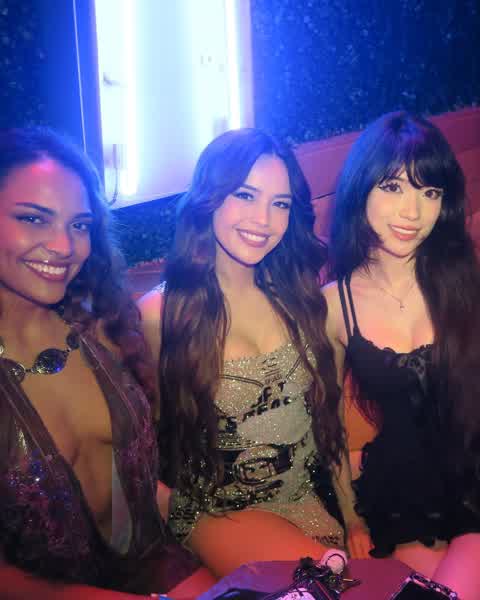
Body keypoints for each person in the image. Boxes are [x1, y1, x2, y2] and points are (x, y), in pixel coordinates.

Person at [0, 128, 213, 599]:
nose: (64, 246)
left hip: (155, 566)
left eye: (79, 225)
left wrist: (223, 531)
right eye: (33, 218)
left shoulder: (102, 331)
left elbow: (144, 490)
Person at [139, 128, 350, 579]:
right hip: (219, 518)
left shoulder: (297, 295)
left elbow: (330, 424)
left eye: (280, 204)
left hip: (310, 507)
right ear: (209, 198)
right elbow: (136, 447)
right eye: (245, 195)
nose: (264, 220)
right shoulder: (162, 315)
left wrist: (356, 518)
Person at [323, 111, 480, 599]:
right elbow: (327, 421)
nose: (412, 211)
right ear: (361, 190)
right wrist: (350, 518)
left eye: (429, 192)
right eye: (393, 187)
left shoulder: (463, 280)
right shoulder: (334, 305)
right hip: (404, 495)